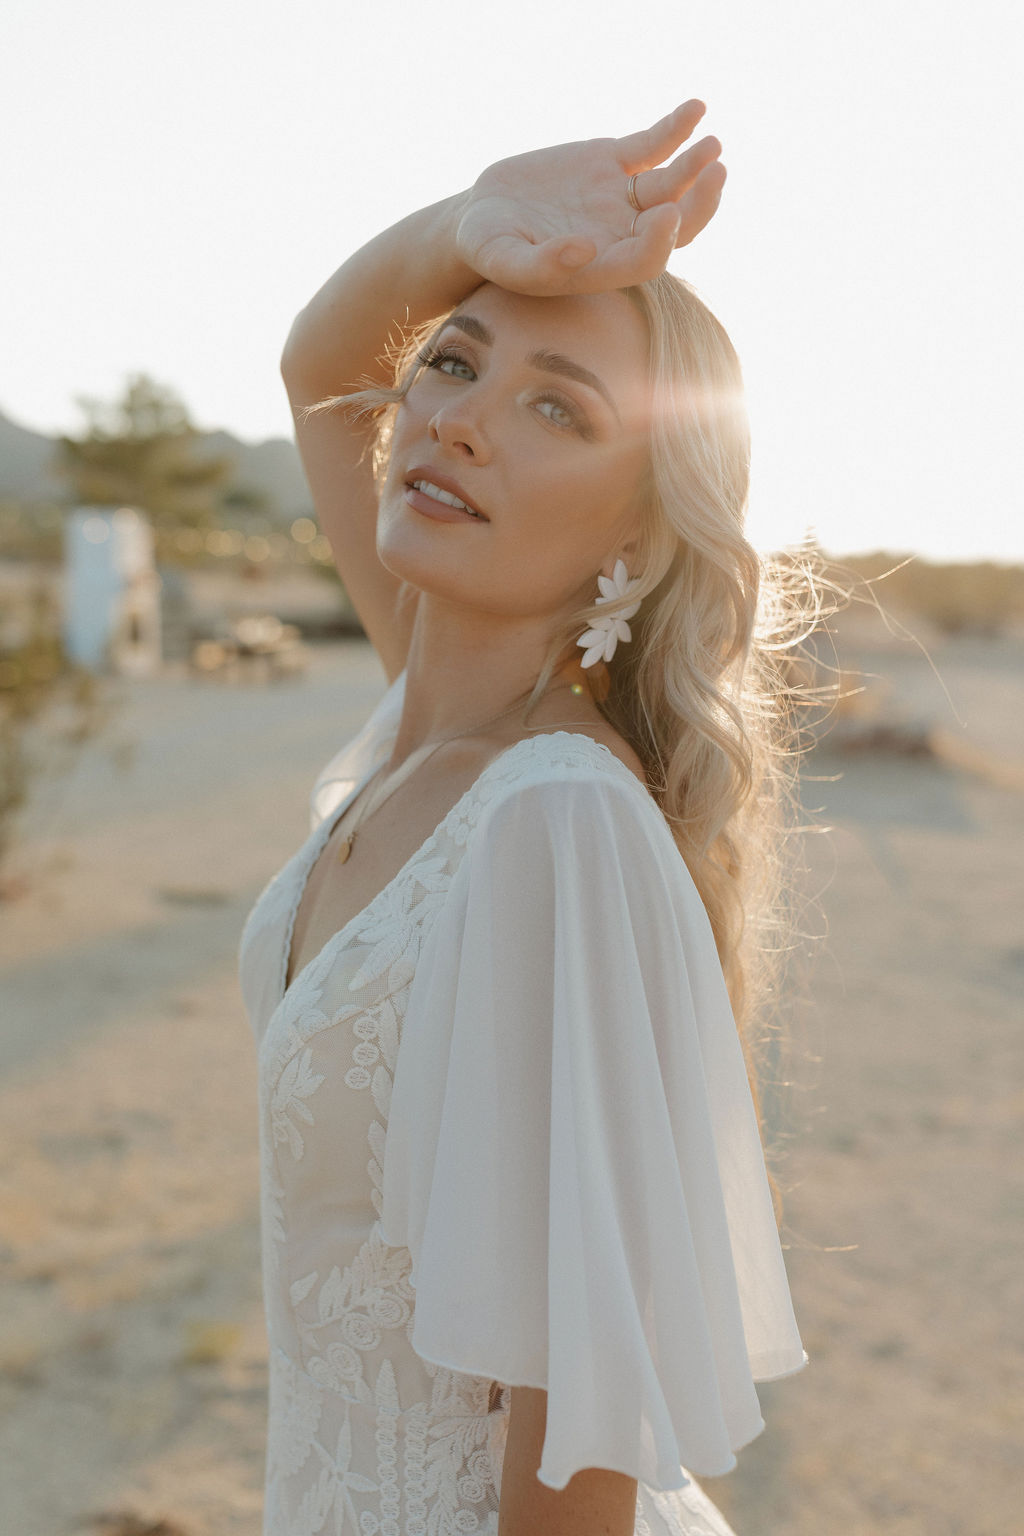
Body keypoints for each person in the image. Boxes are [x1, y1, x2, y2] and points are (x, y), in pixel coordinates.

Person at [238, 100, 809, 1536]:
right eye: (452, 360)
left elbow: (577, 1455)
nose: (463, 421)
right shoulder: (431, 724)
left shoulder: (552, 825)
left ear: (634, 528)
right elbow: (322, 362)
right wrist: (468, 222)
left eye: (558, 406)